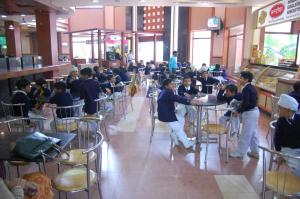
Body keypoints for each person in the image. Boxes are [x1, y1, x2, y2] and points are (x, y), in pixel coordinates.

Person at [157, 78, 200, 149]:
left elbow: (175, 98)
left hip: (167, 113)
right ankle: (187, 144)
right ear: (166, 86)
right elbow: (177, 98)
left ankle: (174, 135)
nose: (173, 85)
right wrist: (190, 101)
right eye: (171, 84)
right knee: (178, 129)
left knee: (181, 119)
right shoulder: (168, 92)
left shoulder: (165, 91)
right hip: (166, 115)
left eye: (173, 83)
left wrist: (189, 101)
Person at [230, 71, 260, 159]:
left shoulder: (247, 88)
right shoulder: (250, 87)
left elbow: (246, 102)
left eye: (241, 78)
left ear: (246, 79)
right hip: (254, 111)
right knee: (253, 133)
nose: (240, 79)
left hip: (250, 113)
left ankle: (240, 152)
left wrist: (238, 111)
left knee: (245, 133)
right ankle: (255, 152)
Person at [274, 94, 300, 176]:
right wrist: (279, 154)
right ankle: (295, 187)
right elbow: (277, 140)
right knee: (298, 167)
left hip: (298, 149)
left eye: (280, 108)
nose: (278, 110)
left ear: (289, 110)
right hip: (287, 150)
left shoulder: (298, 119)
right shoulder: (281, 121)